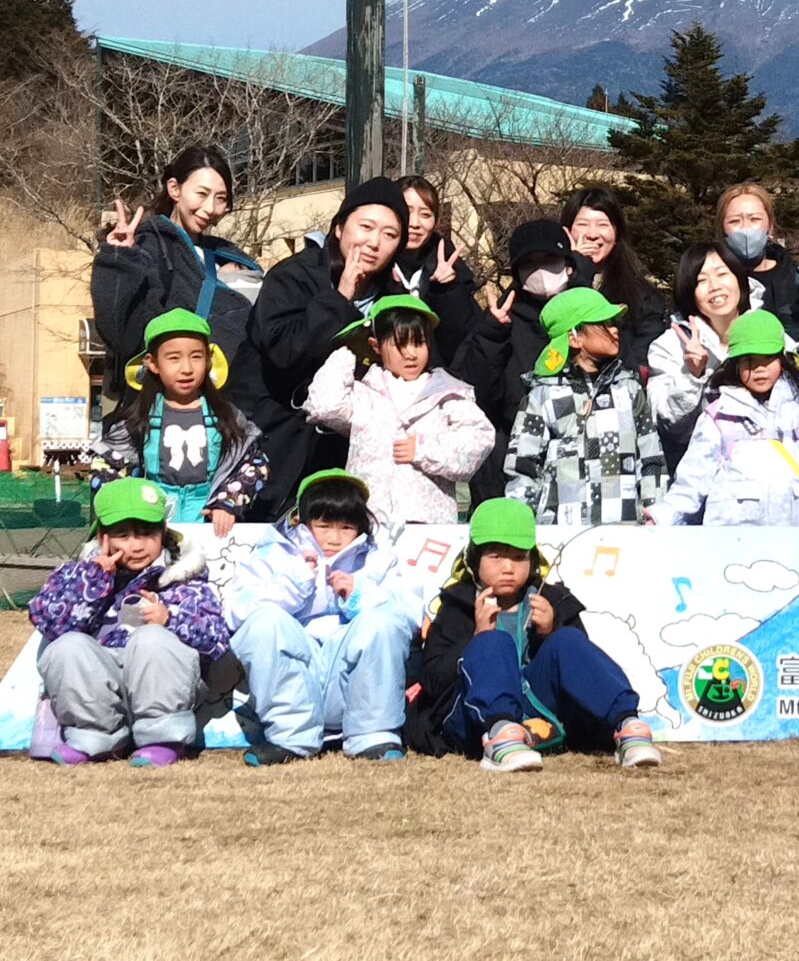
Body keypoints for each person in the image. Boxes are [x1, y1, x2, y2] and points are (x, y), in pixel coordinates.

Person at [404, 498, 660, 770]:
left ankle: (628, 727)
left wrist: (550, 631)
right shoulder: (457, 606)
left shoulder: (553, 601)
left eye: (519, 557)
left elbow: (581, 667)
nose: (508, 568)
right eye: (496, 556)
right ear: (473, 559)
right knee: (492, 642)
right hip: (475, 717)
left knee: (567, 640)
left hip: (542, 710)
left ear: (533, 560)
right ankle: (500, 736)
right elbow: (432, 681)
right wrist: (476, 637)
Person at [27, 478, 232, 767]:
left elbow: (217, 637)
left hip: (163, 683)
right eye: (123, 535)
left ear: (163, 532)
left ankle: (163, 739)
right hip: (103, 679)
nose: (136, 546)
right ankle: (93, 738)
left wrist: (169, 617)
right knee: (67, 646)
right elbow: (48, 622)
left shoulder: (183, 575)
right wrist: (93, 580)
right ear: (103, 537)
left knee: (152, 638)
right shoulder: (77, 573)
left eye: (147, 534)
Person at [223, 470, 420, 764]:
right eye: (324, 525)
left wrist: (360, 596)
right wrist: (292, 584)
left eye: (346, 527)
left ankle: (374, 736)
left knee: (383, 620)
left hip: (349, 676)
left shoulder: (379, 558)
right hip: (296, 671)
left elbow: (410, 615)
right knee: (264, 622)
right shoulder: (273, 554)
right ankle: (289, 738)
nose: (334, 538)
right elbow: (236, 612)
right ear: (301, 521)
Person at [244, 177, 408, 517]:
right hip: (272, 443)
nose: (374, 242)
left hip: (344, 456)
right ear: (339, 228)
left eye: (390, 235)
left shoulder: (395, 301)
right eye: (365, 226)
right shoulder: (292, 277)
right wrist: (340, 298)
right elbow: (286, 352)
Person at [91, 142, 265, 407]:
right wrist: (119, 260)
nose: (210, 208)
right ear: (175, 188)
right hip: (163, 408)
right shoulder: (147, 246)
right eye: (202, 194)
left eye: (221, 199)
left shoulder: (223, 253)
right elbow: (122, 331)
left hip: (219, 405)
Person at [648, 311, 799, 527]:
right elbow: (692, 481)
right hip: (735, 547)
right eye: (749, 360)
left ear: (782, 360)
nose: (759, 369)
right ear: (735, 364)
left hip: (796, 547)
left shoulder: (798, 417)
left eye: (767, 358)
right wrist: (660, 517)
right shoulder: (719, 417)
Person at [303, 294, 496, 525]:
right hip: (369, 521)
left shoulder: (448, 394)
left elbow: (480, 439)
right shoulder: (364, 395)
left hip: (428, 526)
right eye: (399, 344)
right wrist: (348, 351)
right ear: (375, 346)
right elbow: (325, 405)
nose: (411, 354)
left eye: (419, 343)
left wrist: (424, 449)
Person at [451, 219, 595, 510]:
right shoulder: (501, 320)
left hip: (587, 468)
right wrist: (492, 335)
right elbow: (473, 394)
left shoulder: (592, 313)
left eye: (549, 260)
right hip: (511, 474)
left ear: (568, 265)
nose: (540, 270)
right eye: (529, 264)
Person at [88, 308, 270, 536]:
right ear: (152, 363)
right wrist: (129, 510)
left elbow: (252, 464)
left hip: (210, 529)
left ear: (209, 360)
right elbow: (107, 469)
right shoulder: (137, 420)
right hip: (150, 524)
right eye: (174, 358)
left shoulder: (227, 417)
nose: (186, 369)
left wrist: (227, 502)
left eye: (196, 357)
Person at [504, 287, 666, 526]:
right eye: (603, 323)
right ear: (574, 337)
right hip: (559, 537)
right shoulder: (542, 396)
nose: (614, 330)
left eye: (613, 322)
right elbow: (522, 468)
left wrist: (654, 514)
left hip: (626, 530)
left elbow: (652, 458)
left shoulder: (629, 390)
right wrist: (524, 526)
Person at [646, 241, 751, 470]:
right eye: (701, 281)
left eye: (722, 274)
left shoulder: (767, 332)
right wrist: (691, 376)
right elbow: (669, 425)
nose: (714, 286)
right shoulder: (670, 346)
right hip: (699, 478)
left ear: (740, 280)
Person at [560, 187, 665, 371]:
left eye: (602, 225)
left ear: (616, 233)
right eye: (583, 224)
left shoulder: (641, 294)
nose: (592, 234)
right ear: (567, 232)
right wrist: (579, 272)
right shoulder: (552, 285)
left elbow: (644, 354)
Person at [390, 175, 482, 364]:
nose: (415, 224)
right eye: (407, 212)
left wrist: (447, 291)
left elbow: (464, 339)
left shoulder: (450, 266)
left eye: (425, 214)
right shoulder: (375, 265)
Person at [717, 182, 799, 322]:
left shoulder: (797, 282)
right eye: (735, 221)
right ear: (722, 229)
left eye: (754, 219)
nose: (746, 229)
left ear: (770, 226)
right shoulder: (714, 283)